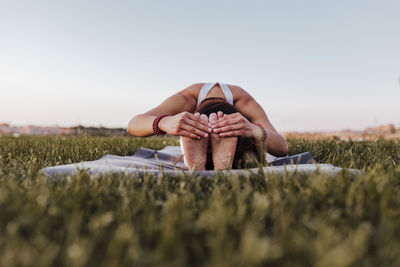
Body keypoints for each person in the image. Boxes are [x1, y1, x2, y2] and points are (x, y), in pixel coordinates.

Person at [127, 82, 288, 170]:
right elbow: (133, 124)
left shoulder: (242, 100)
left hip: (237, 143)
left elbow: (281, 147)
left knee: (250, 145)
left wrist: (252, 129)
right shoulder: (188, 98)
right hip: (238, 150)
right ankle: (220, 164)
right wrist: (164, 122)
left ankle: (202, 163)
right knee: (248, 158)